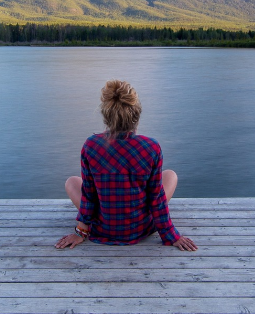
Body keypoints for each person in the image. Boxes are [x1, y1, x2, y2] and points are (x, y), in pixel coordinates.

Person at [55, 80, 197, 252]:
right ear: (136, 115)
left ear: (106, 116)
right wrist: (171, 235)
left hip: (102, 228)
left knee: (72, 182)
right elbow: (156, 198)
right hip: (140, 229)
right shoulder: (151, 147)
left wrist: (80, 232)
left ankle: (94, 224)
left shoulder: (91, 145)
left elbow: (89, 195)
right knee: (170, 175)